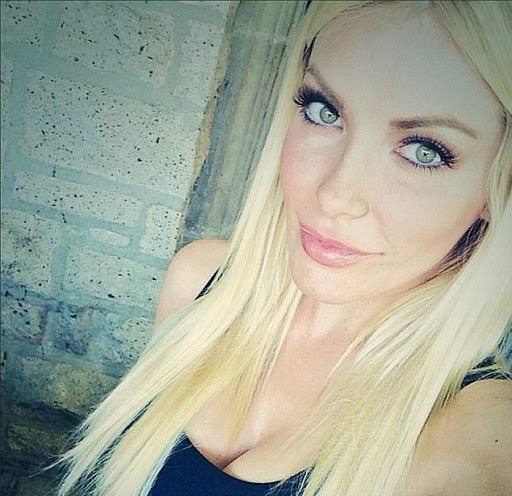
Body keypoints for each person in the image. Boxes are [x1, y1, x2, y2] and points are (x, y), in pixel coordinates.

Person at [56, 1, 512, 495]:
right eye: (324, 111)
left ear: (497, 186)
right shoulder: (199, 282)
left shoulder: (479, 442)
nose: (335, 195)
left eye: (424, 151)